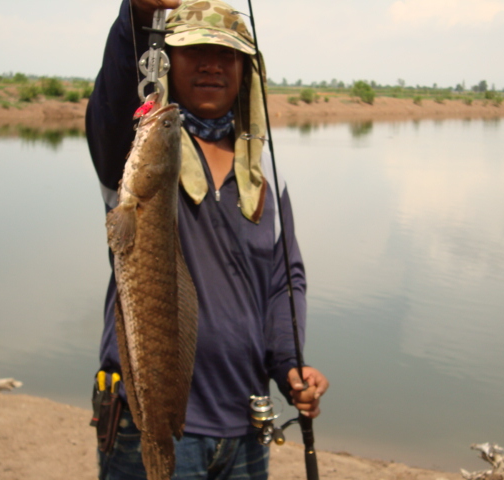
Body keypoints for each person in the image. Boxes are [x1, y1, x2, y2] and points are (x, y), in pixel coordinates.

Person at [86, 1, 329, 478]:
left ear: (246, 70)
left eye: (228, 54)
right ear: (167, 61)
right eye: (194, 50)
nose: (213, 64)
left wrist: (288, 366)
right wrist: (134, 15)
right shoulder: (136, 150)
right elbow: (115, 102)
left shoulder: (259, 174)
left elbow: (283, 282)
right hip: (145, 418)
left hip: (245, 424)